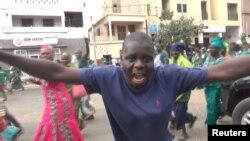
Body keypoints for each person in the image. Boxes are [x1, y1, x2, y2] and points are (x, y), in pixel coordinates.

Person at [1, 32, 250, 141]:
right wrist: (5, 55)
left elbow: (220, 71)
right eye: (132, 58)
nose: (139, 65)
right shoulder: (106, 77)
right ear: (122, 57)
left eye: (147, 59)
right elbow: (57, 72)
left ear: (155, 59)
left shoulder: (171, 76)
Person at [29, 45, 85, 141]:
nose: (45, 55)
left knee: (52, 124)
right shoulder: (42, 67)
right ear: (40, 55)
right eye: (43, 53)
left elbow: (46, 76)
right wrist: (36, 80)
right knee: (52, 125)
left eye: (48, 53)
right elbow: (43, 80)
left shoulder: (53, 66)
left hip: (59, 103)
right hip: (51, 102)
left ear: (53, 54)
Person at [168, 42, 197, 140]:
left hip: (184, 92)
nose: (173, 53)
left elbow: (193, 72)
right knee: (177, 112)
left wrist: (190, 84)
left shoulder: (184, 61)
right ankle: (191, 118)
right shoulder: (171, 60)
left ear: (180, 52)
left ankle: (184, 133)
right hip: (175, 91)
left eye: (175, 51)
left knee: (179, 113)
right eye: (172, 51)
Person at [203, 36, 225, 125]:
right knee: (209, 103)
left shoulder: (222, 61)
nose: (210, 49)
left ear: (219, 50)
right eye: (210, 47)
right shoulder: (208, 57)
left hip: (216, 87)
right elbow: (204, 68)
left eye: (212, 48)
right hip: (207, 85)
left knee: (212, 105)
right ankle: (219, 113)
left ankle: (211, 122)